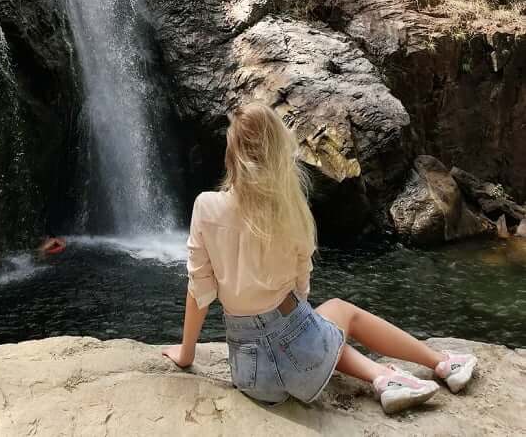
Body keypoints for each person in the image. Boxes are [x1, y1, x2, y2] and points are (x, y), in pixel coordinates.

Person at [162, 103, 477, 415]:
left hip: (253, 378)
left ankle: (384, 377)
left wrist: (187, 353)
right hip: (305, 358)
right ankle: (441, 363)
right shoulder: (291, 210)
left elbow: (199, 291)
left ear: (231, 154)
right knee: (339, 312)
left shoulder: (205, 206)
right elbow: (301, 290)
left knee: (318, 332)